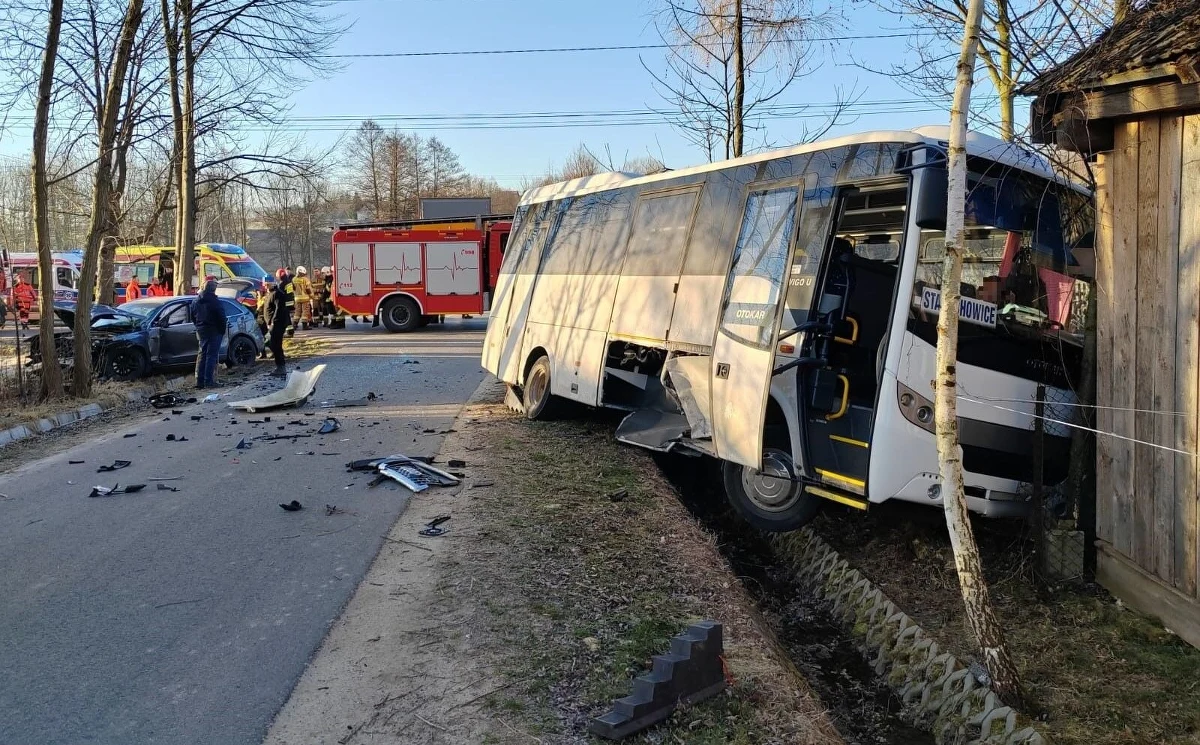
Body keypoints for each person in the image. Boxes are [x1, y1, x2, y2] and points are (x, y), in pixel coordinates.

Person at [191, 276, 227, 389]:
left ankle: (199, 381)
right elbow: (222, 318)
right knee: (211, 356)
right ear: (213, 289)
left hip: (201, 331)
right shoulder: (215, 301)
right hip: (214, 331)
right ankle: (209, 381)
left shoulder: (196, 300)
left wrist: (198, 326)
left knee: (202, 355)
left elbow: (193, 316)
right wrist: (221, 331)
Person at [264, 268, 292, 377]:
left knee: (276, 345)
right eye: (265, 285)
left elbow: (278, 310)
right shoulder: (270, 293)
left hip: (277, 324)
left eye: (267, 285)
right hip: (273, 324)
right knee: (273, 344)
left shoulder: (277, 294)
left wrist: (272, 322)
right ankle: (280, 365)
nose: (266, 287)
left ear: (271, 283)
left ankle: (281, 367)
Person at [293, 266, 313, 330]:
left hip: (297, 298)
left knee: (297, 311)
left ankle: (294, 325)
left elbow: (293, 289)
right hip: (305, 298)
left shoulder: (293, 279)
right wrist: (312, 296)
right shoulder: (305, 279)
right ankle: (304, 326)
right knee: (305, 312)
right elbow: (308, 289)